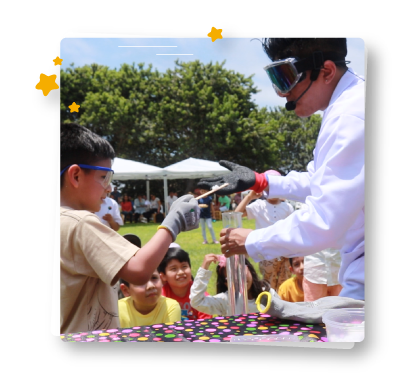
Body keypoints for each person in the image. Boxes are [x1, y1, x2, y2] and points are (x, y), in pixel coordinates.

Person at [198, 37, 365, 301]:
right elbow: (324, 181)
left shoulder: (349, 117)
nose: (281, 93)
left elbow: (324, 221)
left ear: (327, 71)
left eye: (286, 77)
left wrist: (252, 240)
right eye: (275, 78)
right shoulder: (348, 105)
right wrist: (262, 182)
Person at [60, 122, 200, 334]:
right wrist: (174, 221)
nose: (109, 187)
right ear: (76, 176)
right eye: (104, 177)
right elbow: (138, 271)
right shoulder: (80, 223)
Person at [235, 170, 294, 292]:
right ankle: (269, 308)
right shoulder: (259, 205)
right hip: (266, 252)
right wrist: (249, 197)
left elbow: (292, 229)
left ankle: (284, 307)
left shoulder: (287, 207)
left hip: (285, 252)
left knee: (285, 282)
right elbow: (237, 214)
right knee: (268, 284)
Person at [190, 254, 269, 316]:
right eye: (232, 277)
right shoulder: (226, 300)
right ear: (227, 284)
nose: (240, 279)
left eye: (241, 271)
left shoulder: (267, 293)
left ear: (250, 269)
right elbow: (197, 301)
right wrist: (204, 268)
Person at [299, 203, 343, 301]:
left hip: (340, 266)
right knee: (313, 312)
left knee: (342, 312)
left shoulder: (346, 199)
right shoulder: (306, 203)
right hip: (315, 269)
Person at [158, 245, 213, 321]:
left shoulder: (201, 296)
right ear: (163, 276)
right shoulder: (160, 297)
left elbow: (206, 324)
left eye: (184, 266)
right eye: (173, 269)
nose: (180, 272)